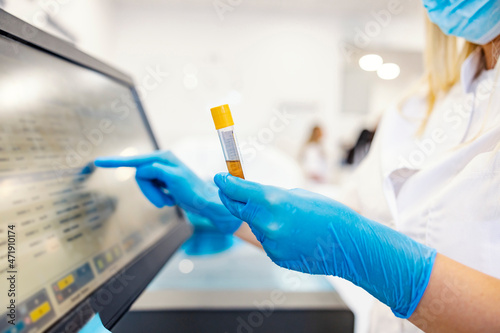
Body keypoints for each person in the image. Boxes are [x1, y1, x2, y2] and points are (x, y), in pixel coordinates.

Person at [94, 0, 500, 332]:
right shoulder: (415, 108)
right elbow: (350, 213)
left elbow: (350, 237)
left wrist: (377, 262)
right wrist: (223, 210)